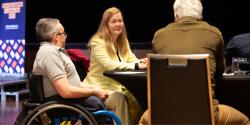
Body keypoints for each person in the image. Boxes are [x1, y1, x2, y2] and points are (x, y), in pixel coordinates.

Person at [139, 0, 250, 125]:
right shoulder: (214, 33)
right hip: (205, 113)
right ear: (200, 16)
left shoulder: (159, 36)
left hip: (164, 112)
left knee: (144, 120)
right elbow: (220, 70)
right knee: (245, 121)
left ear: (176, 15)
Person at [15, 18, 128, 124]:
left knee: (101, 99)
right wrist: (94, 92)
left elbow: (73, 84)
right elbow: (66, 91)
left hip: (63, 101)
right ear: (56, 36)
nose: (65, 37)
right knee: (94, 102)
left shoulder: (55, 51)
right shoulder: (49, 53)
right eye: (64, 34)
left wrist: (94, 89)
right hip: (57, 104)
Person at [81, 7, 147, 124]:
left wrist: (142, 62)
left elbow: (131, 59)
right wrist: (136, 66)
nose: (118, 24)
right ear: (106, 24)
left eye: (120, 21)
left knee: (140, 99)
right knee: (120, 98)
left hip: (117, 87)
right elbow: (108, 65)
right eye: (114, 21)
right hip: (97, 88)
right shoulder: (97, 41)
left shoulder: (122, 41)